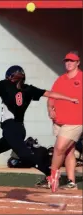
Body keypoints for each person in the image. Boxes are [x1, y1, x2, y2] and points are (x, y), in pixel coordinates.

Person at [0, 65, 79, 191]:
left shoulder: (5, 85)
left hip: (11, 128)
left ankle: (50, 174)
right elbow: (50, 93)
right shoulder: (28, 89)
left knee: (24, 155)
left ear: (10, 77)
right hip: (18, 129)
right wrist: (70, 99)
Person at [38, 51, 82, 192]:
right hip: (59, 121)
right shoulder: (60, 79)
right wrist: (50, 109)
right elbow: (51, 97)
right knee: (68, 151)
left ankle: (52, 176)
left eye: (72, 61)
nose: (68, 63)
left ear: (78, 63)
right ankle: (71, 182)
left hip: (75, 121)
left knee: (59, 148)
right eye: (66, 61)